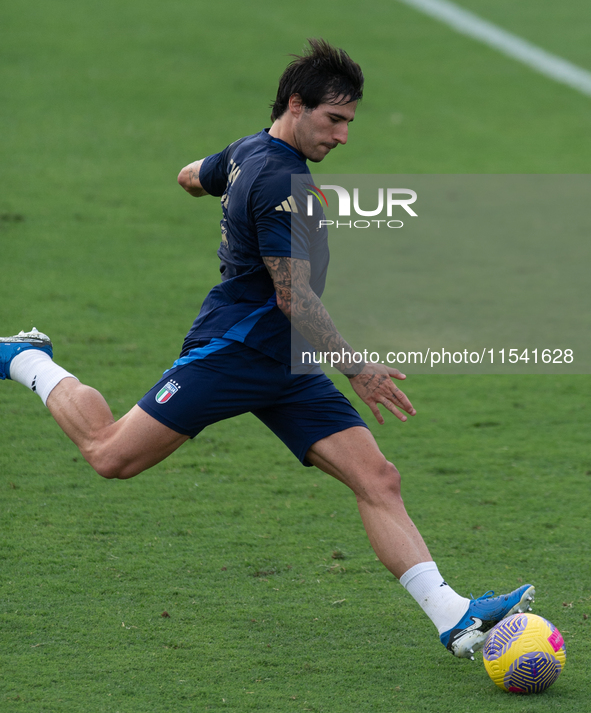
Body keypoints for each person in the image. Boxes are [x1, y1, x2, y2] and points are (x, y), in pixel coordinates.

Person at [1, 38, 533, 659]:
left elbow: (187, 177)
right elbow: (293, 298)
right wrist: (358, 369)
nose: (341, 137)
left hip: (287, 362)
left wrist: (225, 189)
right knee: (109, 455)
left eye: (348, 123)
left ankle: (452, 615)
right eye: (333, 120)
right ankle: (24, 357)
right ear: (296, 104)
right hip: (236, 351)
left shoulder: (250, 151)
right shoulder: (281, 177)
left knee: (377, 477)